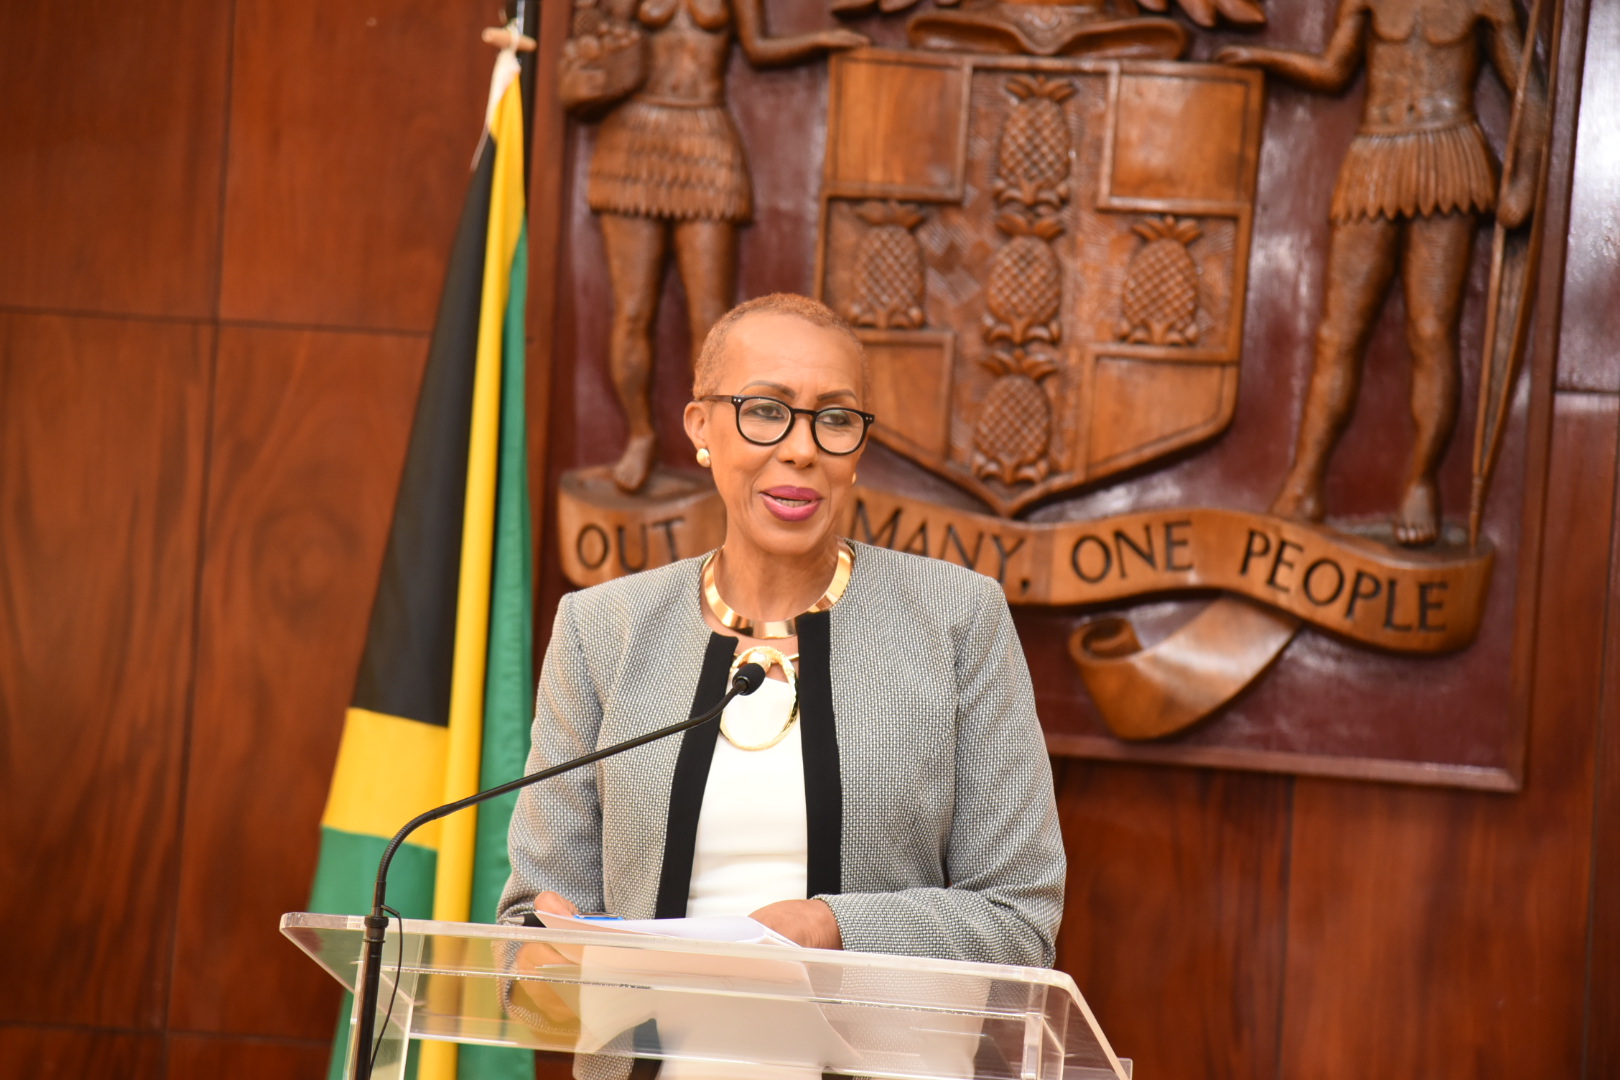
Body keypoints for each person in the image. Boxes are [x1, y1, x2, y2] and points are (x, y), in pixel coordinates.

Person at [498, 293, 1063, 984]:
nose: (801, 449)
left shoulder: (957, 621)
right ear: (701, 427)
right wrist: (539, 961)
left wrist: (832, 928)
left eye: (833, 418)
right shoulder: (601, 632)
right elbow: (528, 931)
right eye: (765, 411)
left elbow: (1017, 922)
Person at [1218, 0, 1544, 545]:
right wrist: (1263, 57)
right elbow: (1334, 69)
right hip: (1375, 158)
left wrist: (1524, 182)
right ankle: (1304, 480)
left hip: (1446, 157)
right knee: (1337, 334)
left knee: (1431, 331)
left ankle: (1421, 482)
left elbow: (1531, 98)